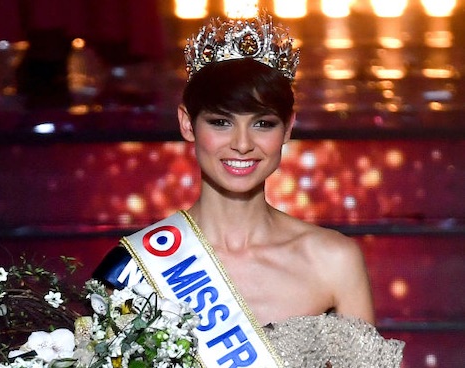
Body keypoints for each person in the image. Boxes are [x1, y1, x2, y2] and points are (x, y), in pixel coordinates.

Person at [94, 12, 404, 367]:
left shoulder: (333, 261)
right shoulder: (136, 266)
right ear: (187, 123)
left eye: (262, 123)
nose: (242, 144)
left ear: (288, 129)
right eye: (221, 122)